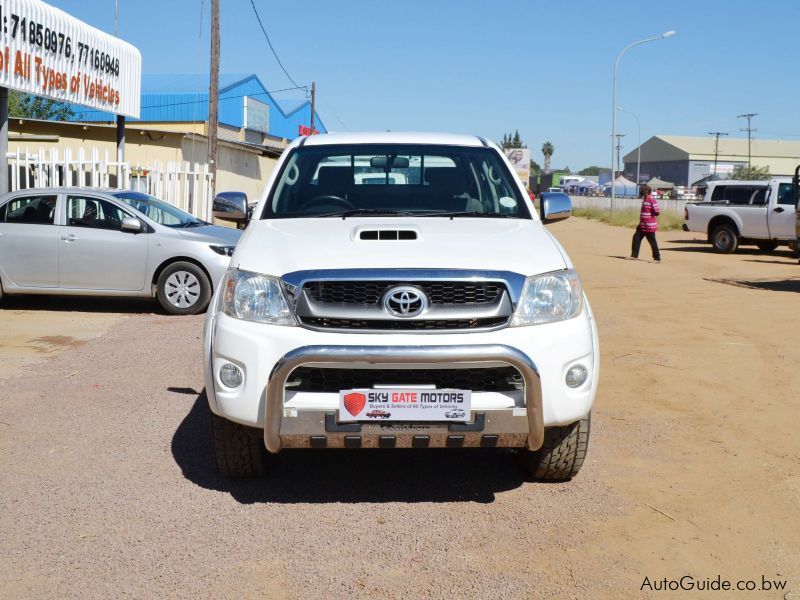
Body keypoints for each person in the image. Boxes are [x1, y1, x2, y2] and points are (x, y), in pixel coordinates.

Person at [630, 185, 661, 262]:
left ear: (647, 191)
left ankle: (657, 258)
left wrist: (649, 218)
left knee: (652, 242)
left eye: (642, 190)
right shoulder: (645, 199)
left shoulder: (651, 200)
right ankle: (634, 256)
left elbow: (657, 212)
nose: (640, 191)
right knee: (636, 239)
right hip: (642, 225)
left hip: (649, 226)